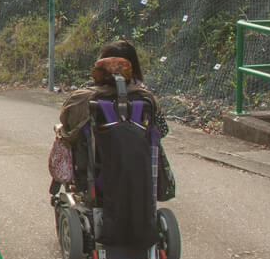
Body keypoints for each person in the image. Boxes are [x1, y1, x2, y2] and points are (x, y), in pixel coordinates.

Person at [49, 40, 176, 202]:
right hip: (139, 171)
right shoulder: (145, 97)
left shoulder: (85, 95)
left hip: (98, 170)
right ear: (133, 65)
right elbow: (162, 131)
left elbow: (69, 125)